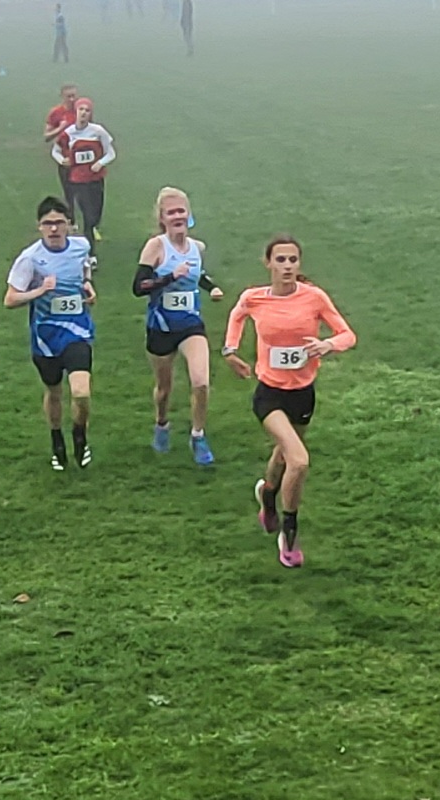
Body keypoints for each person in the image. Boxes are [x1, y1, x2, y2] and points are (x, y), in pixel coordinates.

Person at [222, 236, 356, 567]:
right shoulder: (254, 298)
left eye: (292, 260)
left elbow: (347, 334)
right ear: (268, 263)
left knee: (284, 455)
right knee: (299, 460)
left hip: (303, 393)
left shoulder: (314, 297)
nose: (287, 266)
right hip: (269, 394)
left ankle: (267, 494)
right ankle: (289, 533)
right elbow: (237, 316)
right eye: (280, 260)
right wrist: (230, 351)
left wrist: (328, 345)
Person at [132, 187, 225, 465]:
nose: (177, 216)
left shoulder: (197, 248)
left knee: (201, 381)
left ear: (189, 214)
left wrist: (212, 288)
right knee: (164, 388)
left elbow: (197, 274)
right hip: (161, 327)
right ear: (162, 218)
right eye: (171, 212)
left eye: (181, 211)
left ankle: (198, 435)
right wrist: (170, 277)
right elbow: (138, 287)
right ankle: (161, 424)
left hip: (190, 325)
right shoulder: (156, 247)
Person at [4, 196, 96, 470]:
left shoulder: (81, 246)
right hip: (46, 338)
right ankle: (57, 439)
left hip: (78, 331)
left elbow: (84, 267)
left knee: (81, 392)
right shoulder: (30, 259)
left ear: (69, 224)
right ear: (39, 227)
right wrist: (40, 291)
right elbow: (10, 299)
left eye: (59, 222)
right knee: (54, 391)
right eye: (47, 224)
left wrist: (88, 285)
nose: (53, 229)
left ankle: (79, 435)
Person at [50, 96, 114, 251]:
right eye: (81, 110)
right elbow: (55, 150)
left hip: (96, 179)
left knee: (96, 213)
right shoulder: (68, 133)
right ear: (76, 112)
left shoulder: (98, 131)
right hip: (78, 180)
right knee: (87, 215)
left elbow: (111, 153)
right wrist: (62, 160)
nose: (84, 113)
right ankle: (90, 252)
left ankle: (91, 227)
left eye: (87, 110)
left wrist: (100, 163)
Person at [44, 82, 79, 205]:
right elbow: (46, 136)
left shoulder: (81, 111)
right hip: (65, 158)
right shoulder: (56, 113)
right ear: (62, 97)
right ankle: (70, 215)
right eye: (69, 96)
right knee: (69, 192)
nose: (72, 99)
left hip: (81, 158)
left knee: (84, 193)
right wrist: (59, 129)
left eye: (74, 96)